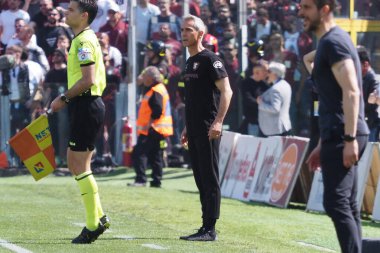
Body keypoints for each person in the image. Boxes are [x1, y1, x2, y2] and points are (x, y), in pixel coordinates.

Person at [299, 1, 369, 253]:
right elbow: (334, 97)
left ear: (325, 8)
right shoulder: (329, 42)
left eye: (307, 7)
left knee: (336, 203)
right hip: (338, 133)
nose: (300, 12)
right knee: (346, 205)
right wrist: (321, 143)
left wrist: (349, 139)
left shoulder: (333, 42)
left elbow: (351, 92)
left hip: (344, 134)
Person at [49, 0, 110, 244]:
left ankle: (93, 224)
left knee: (79, 164)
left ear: (84, 16)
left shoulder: (84, 41)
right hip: (85, 105)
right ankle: (98, 217)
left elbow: (88, 79)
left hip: (87, 104)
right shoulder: (82, 38)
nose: (66, 11)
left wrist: (62, 98)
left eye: (71, 9)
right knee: (76, 163)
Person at [179, 14, 232, 241]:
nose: (184, 34)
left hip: (208, 128)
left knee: (209, 177)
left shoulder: (211, 59)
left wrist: (218, 121)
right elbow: (193, 99)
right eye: (182, 30)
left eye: (189, 30)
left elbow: (227, 91)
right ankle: (204, 226)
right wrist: (185, 126)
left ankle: (210, 229)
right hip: (193, 128)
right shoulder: (189, 62)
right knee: (200, 177)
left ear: (200, 34)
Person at [128, 66, 173, 187]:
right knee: (156, 155)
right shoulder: (159, 88)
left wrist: (149, 124)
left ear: (151, 78)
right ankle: (156, 181)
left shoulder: (155, 90)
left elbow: (158, 110)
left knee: (139, 153)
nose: (143, 78)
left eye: (145, 76)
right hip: (159, 129)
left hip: (152, 128)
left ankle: (141, 180)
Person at [257, 61, 292, 137]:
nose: (267, 74)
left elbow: (275, 108)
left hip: (274, 129)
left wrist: (261, 103)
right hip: (283, 126)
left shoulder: (275, 89)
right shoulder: (286, 85)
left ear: (275, 74)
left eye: (269, 71)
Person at [357, 46, 380, 142]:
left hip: (370, 125)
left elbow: (373, 99)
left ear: (365, 64)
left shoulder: (372, 78)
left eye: (356, 64)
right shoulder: (359, 77)